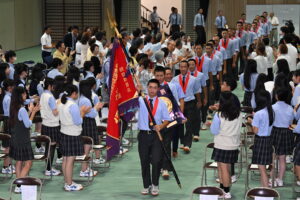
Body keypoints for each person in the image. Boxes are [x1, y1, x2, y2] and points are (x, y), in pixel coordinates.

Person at [138, 79, 171, 196]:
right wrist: (136, 91)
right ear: (147, 87)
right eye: (150, 87)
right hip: (143, 135)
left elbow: (167, 120)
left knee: (156, 161)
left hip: (156, 136)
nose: (152, 90)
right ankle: (147, 185)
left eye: (154, 87)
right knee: (144, 161)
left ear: (158, 89)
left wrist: (161, 126)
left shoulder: (162, 103)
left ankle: (155, 184)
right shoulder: (141, 100)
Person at [153, 66, 184, 178]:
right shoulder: (151, 87)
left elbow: (175, 103)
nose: (160, 78)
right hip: (155, 122)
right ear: (154, 75)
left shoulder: (171, 86)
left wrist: (179, 118)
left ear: (165, 76)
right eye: (157, 75)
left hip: (168, 121)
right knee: (156, 146)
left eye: (162, 75)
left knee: (166, 144)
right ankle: (158, 166)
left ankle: (165, 168)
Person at [58, 84, 90, 191]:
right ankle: (69, 184)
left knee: (65, 159)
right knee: (70, 160)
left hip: (63, 132)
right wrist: (83, 113)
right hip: (72, 134)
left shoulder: (61, 102)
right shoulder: (73, 105)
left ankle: (67, 181)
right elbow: (78, 121)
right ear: (74, 93)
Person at [210, 91, 242, 199]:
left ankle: (226, 192)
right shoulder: (239, 114)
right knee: (225, 168)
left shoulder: (219, 115)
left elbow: (214, 131)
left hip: (221, 145)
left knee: (222, 169)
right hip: (233, 145)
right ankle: (221, 189)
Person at [9, 86, 40, 193]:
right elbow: (28, 124)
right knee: (28, 163)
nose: (26, 95)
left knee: (18, 162)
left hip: (15, 138)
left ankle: (19, 183)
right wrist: (34, 112)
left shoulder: (13, 107)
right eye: (24, 94)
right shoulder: (21, 108)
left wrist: (30, 111)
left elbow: (22, 120)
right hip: (23, 139)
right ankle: (19, 186)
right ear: (21, 95)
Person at [171, 61, 201, 153]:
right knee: (179, 124)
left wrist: (199, 101)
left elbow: (197, 91)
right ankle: (182, 141)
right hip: (179, 104)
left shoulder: (194, 79)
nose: (183, 68)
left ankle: (187, 144)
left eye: (185, 67)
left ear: (188, 68)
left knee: (189, 124)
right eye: (181, 67)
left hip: (190, 102)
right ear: (179, 68)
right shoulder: (175, 79)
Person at [78, 80, 103, 177]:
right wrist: (96, 108)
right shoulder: (86, 100)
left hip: (85, 122)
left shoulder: (82, 98)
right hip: (88, 122)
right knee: (87, 147)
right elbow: (92, 114)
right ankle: (84, 169)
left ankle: (85, 168)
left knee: (86, 146)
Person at [270, 88, 294, 187]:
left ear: (276, 96)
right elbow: (291, 122)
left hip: (275, 132)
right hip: (286, 133)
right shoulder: (290, 108)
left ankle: (272, 179)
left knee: (272, 158)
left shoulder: (272, 107)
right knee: (282, 158)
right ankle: (280, 180)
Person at [251, 90, 274, 187]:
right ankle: (263, 189)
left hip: (260, 141)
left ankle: (265, 191)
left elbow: (255, 131)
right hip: (268, 140)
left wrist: (251, 121)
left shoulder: (259, 113)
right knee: (264, 167)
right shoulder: (271, 111)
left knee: (262, 169)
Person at [40, 78, 61, 176]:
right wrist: (59, 106)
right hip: (52, 124)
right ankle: (49, 169)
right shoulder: (50, 97)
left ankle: (48, 167)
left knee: (48, 146)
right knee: (51, 147)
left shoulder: (43, 94)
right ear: (50, 85)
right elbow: (55, 112)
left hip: (45, 123)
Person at [1, 79, 15, 174]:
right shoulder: (8, 98)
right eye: (13, 86)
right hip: (9, 121)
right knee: (8, 145)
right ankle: (6, 166)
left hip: (8, 121)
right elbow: (11, 112)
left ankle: (8, 165)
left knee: (9, 145)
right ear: (10, 88)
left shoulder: (7, 96)